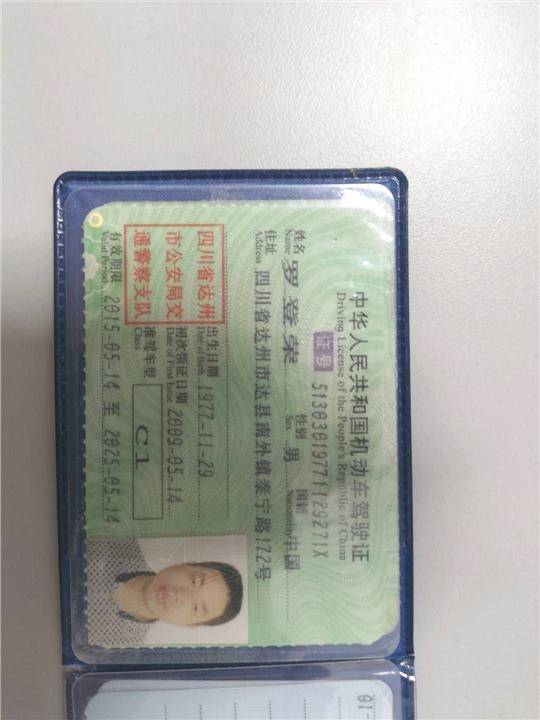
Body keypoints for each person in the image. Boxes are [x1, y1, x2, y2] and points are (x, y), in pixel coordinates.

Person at [86, 539, 243, 647]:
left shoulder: (117, 645)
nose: (180, 595)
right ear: (187, 564)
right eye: (194, 581)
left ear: (190, 625)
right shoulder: (113, 544)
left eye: (195, 607)